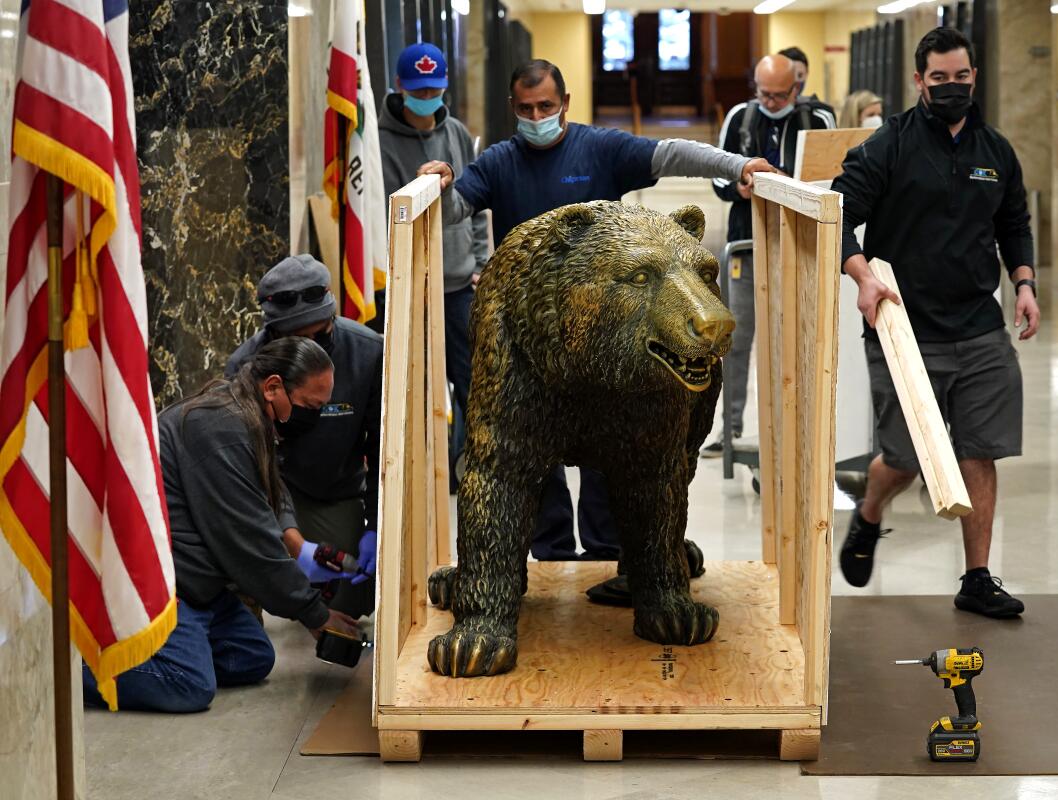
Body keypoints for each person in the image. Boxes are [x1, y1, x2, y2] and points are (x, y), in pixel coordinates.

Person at [417, 59, 777, 564]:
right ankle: (553, 553)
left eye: (545, 106)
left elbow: (672, 155)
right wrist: (443, 183)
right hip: (536, 335)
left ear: (565, 103)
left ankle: (609, 554)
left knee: (612, 447)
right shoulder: (501, 160)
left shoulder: (601, 148)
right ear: (512, 109)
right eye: (525, 108)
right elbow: (458, 209)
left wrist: (737, 166)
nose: (536, 116)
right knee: (531, 452)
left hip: (608, 330)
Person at [831, 27, 1040, 618]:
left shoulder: (995, 151)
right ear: (919, 81)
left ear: (975, 76)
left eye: (962, 77)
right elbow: (840, 217)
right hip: (905, 329)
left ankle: (977, 578)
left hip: (979, 326)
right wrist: (862, 276)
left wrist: (1023, 284)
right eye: (940, 78)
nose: (953, 87)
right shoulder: (887, 146)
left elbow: (1014, 223)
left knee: (979, 451)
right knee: (906, 457)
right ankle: (870, 512)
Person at [83, 338, 363, 712]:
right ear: (274, 386)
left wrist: (296, 543)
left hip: (204, 588)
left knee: (252, 658)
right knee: (190, 685)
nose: (313, 416)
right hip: (169, 584)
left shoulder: (251, 415)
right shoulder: (219, 427)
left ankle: (179, 644)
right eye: (310, 406)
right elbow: (248, 543)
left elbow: (272, 488)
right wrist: (314, 614)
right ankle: (80, 666)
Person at [226, 255, 382, 619]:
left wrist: (375, 527)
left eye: (322, 335)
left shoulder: (368, 352)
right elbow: (244, 473)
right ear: (276, 336)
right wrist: (286, 537)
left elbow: (381, 452)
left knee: (352, 597)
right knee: (251, 589)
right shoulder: (244, 366)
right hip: (267, 491)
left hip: (331, 491)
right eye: (300, 341)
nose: (314, 348)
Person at [704, 54, 836, 457]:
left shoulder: (818, 119)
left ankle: (802, 424)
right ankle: (731, 428)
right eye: (765, 94)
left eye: (781, 95)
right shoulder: (741, 117)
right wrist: (737, 188)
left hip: (804, 245)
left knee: (799, 340)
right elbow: (717, 174)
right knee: (738, 338)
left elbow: (835, 175)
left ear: (797, 87)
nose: (773, 102)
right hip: (749, 244)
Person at [379, 42, 489, 489]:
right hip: (406, 288)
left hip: (460, 284)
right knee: (415, 389)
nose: (428, 99)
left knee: (474, 384)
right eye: (419, 90)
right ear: (401, 86)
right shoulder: (379, 142)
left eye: (435, 90)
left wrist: (482, 261)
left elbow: (476, 203)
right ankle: (422, 476)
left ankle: (475, 469)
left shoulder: (457, 133)